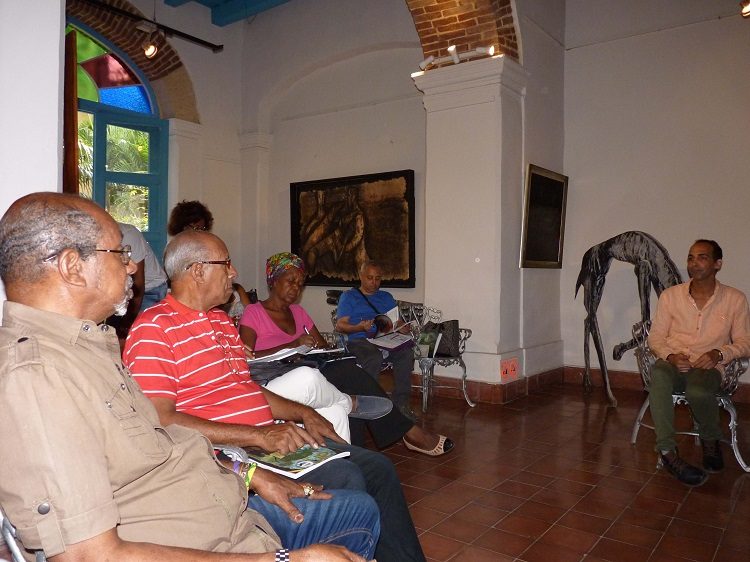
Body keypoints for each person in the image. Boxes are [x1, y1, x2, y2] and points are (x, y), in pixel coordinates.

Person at [0, 192, 374, 562]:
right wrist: (280, 560)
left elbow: (164, 438)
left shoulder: (89, 347)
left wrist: (249, 475)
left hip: (223, 506)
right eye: (120, 254)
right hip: (205, 541)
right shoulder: (38, 378)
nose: (131, 267)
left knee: (360, 504)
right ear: (72, 266)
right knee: (357, 503)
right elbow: (87, 555)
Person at [124, 231, 426, 562]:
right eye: (226, 264)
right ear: (197, 270)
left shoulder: (221, 322)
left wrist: (303, 413)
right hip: (229, 453)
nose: (234, 272)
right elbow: (160, 420)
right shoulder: (154, 329)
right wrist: (259, 434)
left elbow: (248, 390)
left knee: (378, 467)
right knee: (349, 475)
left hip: (265, 441)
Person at [239, 252, 454, 456]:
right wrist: (294, 345)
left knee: (349, 371)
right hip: (277, 376)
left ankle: (359, 448)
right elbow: (247, 357)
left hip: (307, 368)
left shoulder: (298, 312)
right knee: (348, 373)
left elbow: (324, 348)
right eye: (290, 281)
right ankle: (408, 431)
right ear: (273, 281)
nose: (296, 288)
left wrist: (316, 348)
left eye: (300, 283)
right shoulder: (254, 313)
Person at [648, 239, 750, 486]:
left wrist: (719, 353)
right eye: (691, 258)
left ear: (718, 264)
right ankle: (667, 452)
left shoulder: (734, 299)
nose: (694, 263)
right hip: (674, 361)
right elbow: (656, 338)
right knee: (659, 375)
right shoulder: (670, 296)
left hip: (708, 366)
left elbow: (745, 341)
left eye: (702, 257)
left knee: (697, 389)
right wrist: (671, 357)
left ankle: (710, 440)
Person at [336, 260, 416, 418]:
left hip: (385, 338)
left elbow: (395, 321)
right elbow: (341, 325)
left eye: (377, 279)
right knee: (373, 357)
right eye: (369, 278)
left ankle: (401, 403)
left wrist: (403, 327)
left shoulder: (386, 297)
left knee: (406, 353)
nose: (374, 283)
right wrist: (359, 327)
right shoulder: (349, 296)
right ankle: (368, 404)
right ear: (361, 276)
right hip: (359, 340)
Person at [106, 222, 169, 343]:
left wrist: (127, 325)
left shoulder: (129, 235)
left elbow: (138, 285)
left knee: (140, 337)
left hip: (151, 289)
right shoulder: (101, 237)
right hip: (124, 288)